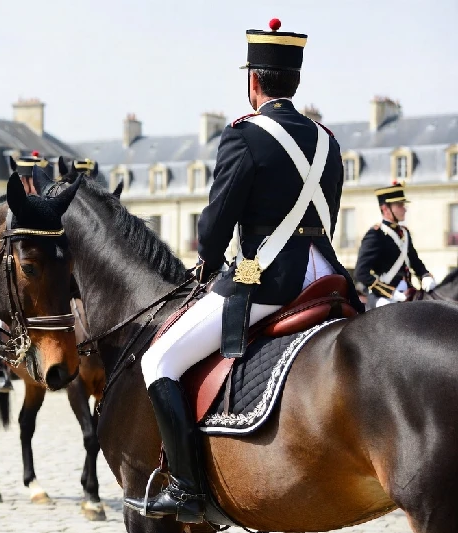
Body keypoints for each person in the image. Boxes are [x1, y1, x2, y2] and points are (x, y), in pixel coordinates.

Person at [124, 18, 363, 523]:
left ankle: (188, 488)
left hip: (268, 280)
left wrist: (208, 263)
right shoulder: (328, 141)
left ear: (253, 80)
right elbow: (328, 214)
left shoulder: (244, 136)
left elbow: (215, 224)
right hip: (326, 276)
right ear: (292, 81)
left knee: (158, 361)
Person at [0, 151, 54, 393]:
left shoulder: (49, 210)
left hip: (45, 274)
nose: (32, 185)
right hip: (12, 273)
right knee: (0, 316)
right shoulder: (11, 208)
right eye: (28, 179)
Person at [354, 183, 434, 308]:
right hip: (382, 297)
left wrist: (425, 276)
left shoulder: (404, 233)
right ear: (385, 208)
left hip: (408, 292)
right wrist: (391, 293)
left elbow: (415, 262)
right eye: (399, 205)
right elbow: (361, 273)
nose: (405, 208)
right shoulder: (375, 235)